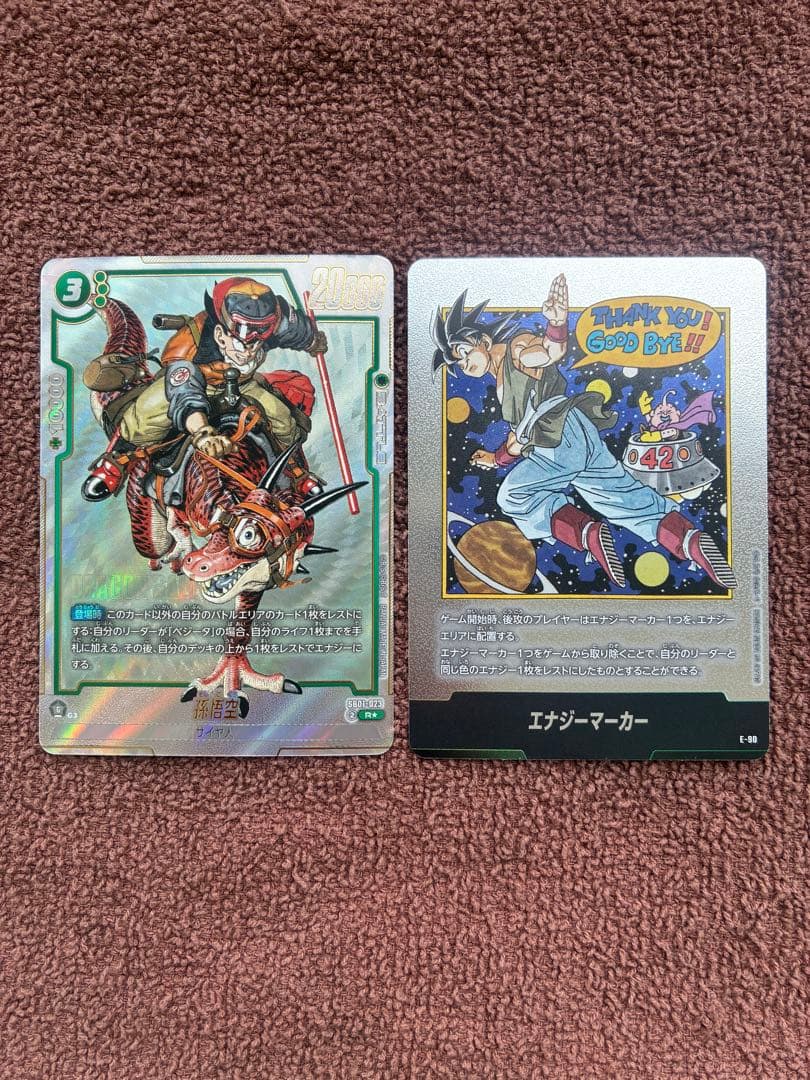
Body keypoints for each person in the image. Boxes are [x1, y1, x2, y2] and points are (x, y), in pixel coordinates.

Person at [431, 274, 736, 589]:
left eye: (464, 352)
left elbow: (547, 353)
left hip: (558, 439)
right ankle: (690, 541)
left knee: (513, 496)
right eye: (458, 363)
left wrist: (556, 325)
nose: (464, 364)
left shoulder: (516, 349)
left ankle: (586, 533)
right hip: (577, 431)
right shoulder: (501, 379)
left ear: (482, 340)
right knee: (622, 498)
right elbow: (518, 441)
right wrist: (496, 459)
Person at [83, 277, 326, 500]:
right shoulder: (189, 345)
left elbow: (299, 332)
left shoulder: (277, 323)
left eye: (262, 332)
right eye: (243, 332)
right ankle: (115, 462)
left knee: (283, 421)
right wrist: (203, 434)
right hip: (191, 384)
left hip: (243, 385)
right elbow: (184, 392)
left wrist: (313, 341)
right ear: (220, 333)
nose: (252, 346)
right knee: (142, 420)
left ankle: (294, 471)